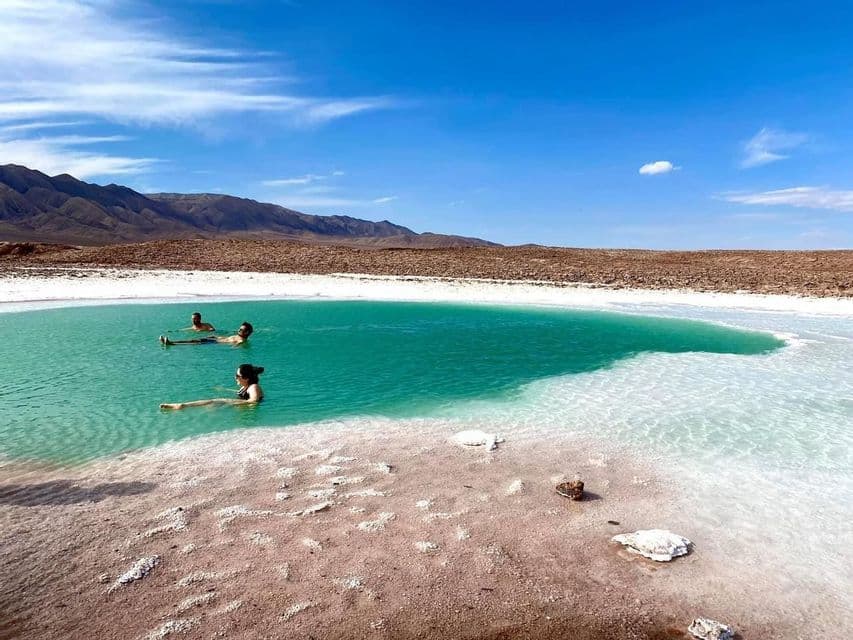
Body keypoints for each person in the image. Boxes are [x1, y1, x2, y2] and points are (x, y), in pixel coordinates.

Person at [160, 363, 264, 410]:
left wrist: (229, 402)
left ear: (246, 378)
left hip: (240, 407)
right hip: (238, 406)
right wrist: (224, 390)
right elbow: (244, 396)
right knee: (211, 404)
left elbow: (254, 401)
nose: (235, 377)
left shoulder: (254, 387)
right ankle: (182, 406)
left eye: (237, 376)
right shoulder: (246, 386)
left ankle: (182, 406)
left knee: (212, 401)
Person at [160, 322, 253, 346]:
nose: (239, 330)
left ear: (247, 332)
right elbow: (228, 339)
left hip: (215, 343)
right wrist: (216, 336)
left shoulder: (241, 340)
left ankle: (172, 343)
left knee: (194, 342)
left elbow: (237, 345)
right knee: (194, 341)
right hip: (215, 339)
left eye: (241, 330)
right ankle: (171, 342)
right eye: (239, 329)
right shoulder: (238, 336)